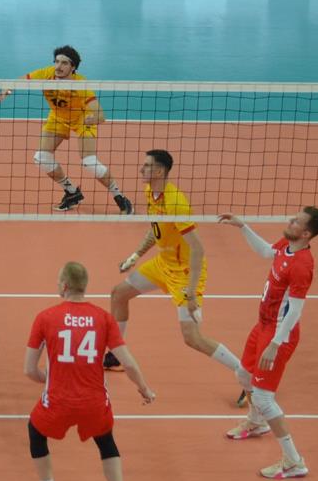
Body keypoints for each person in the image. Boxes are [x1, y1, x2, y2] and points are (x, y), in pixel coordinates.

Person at [101, 151, 244, 404]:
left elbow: (198, 249)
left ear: (159, 172)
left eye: (147, 166)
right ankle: (114, 356)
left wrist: (191, 291)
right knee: (119, 293)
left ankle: (247, 375)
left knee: (192, 338)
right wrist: (135, 255)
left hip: (184, 273)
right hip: (163, 263)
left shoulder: (176, 203)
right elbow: (156, 229)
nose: (141, 170)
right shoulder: (150, 192)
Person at [24, 262, 155, 481]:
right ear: (84, 286)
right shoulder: (103, 318)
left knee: (36, 433)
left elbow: (29, 370)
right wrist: (144, 389)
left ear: (64, 286)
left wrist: (51, 379)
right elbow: (128, 363)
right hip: (94, 402)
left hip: (57, 401)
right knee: (106, 442)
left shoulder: (45, 317)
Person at [218, 207, 318, 479]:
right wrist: (243, 227)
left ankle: (293, 461)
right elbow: (267, 251)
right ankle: (256, 423)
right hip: (263, 324)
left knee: (264, 397)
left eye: (296, 221)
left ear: (306, 233)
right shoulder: (287, 246)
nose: (290, 220)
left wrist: (275, 343)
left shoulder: (302, 265)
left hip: (279, 334)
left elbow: (296, 310)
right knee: (243, 374)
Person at [0, 46, 133, 214]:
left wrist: (94, 118)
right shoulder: (46, 74)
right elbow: (19, 82)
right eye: (57, 62)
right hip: (58, 117)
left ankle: (120, 197)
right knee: (41, 158)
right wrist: (7, 90)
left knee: (90, 162)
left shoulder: (81, 85)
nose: (59, 66)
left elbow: (100, 114)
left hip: (82, 118)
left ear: (73, 67)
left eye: (64, 63)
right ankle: (72, 192)